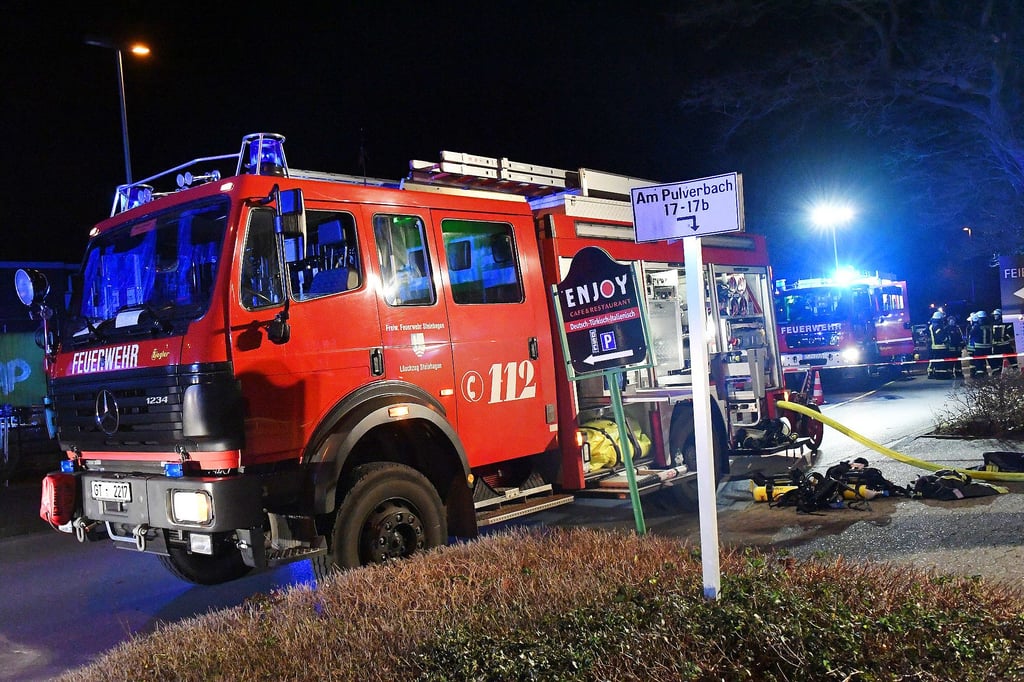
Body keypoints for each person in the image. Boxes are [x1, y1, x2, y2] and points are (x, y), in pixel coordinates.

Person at [927, 310, 953, 378]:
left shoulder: (932, 326)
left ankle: (938, 374)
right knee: (942, 363)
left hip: (935, 347)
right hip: (941, 347)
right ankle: (942, 375)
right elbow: (940, 335)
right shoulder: (938, 326)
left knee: (938, 362)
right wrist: (946, 340)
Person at [990, 309, 1017, 374]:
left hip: (1002, 346)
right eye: (994, 315)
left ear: (999, 315)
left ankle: (1018, 374)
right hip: (1001, 346)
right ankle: (999, 377)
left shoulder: (995, 324)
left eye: (996, 315)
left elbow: (1011, 334)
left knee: (1012, 361)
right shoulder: (1005, 324)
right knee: (1001, 363)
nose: (994, 316)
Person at [968, 310, 992, 377]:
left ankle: (980, 375)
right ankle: (996, 373)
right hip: (989, 347)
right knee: (991, 361)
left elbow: (971, 334)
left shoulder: (976, 327)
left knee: (979, 362)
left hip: (979, 347)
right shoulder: (989, 326)